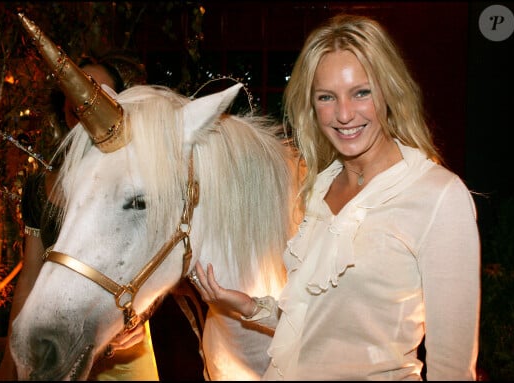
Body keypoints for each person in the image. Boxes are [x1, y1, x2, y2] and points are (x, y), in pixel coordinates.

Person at [192, 13, 481, 380]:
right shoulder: (316, 188)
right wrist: (247, 306)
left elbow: (453, 370)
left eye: (361, 92)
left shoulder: (438, 197)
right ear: (311, 106)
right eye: (327, 97)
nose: (344, 115)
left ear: (389, 92)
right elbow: (314, 320)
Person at [0, 51, 161, 381]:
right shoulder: (40, 187)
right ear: (64, 107)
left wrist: (142, 315)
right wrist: (10, 359)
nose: (87, 99)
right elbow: (29, 278)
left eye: (99, 92)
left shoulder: (139, 184)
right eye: (76, 89)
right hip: (54, 351)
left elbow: (158, 262)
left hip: (123, 354)